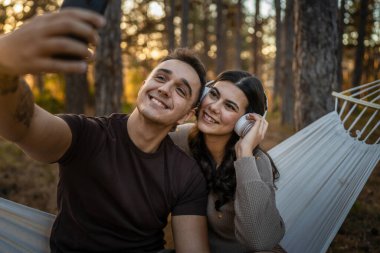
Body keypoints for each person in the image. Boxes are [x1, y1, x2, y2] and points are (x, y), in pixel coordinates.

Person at [0, 9, 210, 253]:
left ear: (187, 115)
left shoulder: (185, 174)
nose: (165, 89)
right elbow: (23, 127)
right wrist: (5, 67)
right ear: (145, 85)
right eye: (161, 78)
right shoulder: (87, 135)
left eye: (181, 90)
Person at [169, 70, 286, 252]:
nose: (214, 107)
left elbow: (260, 242)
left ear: (245, 123)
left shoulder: (255, 162)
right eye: (213, 95)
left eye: (229, 106)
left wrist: (244, 153)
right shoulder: (182, 138)